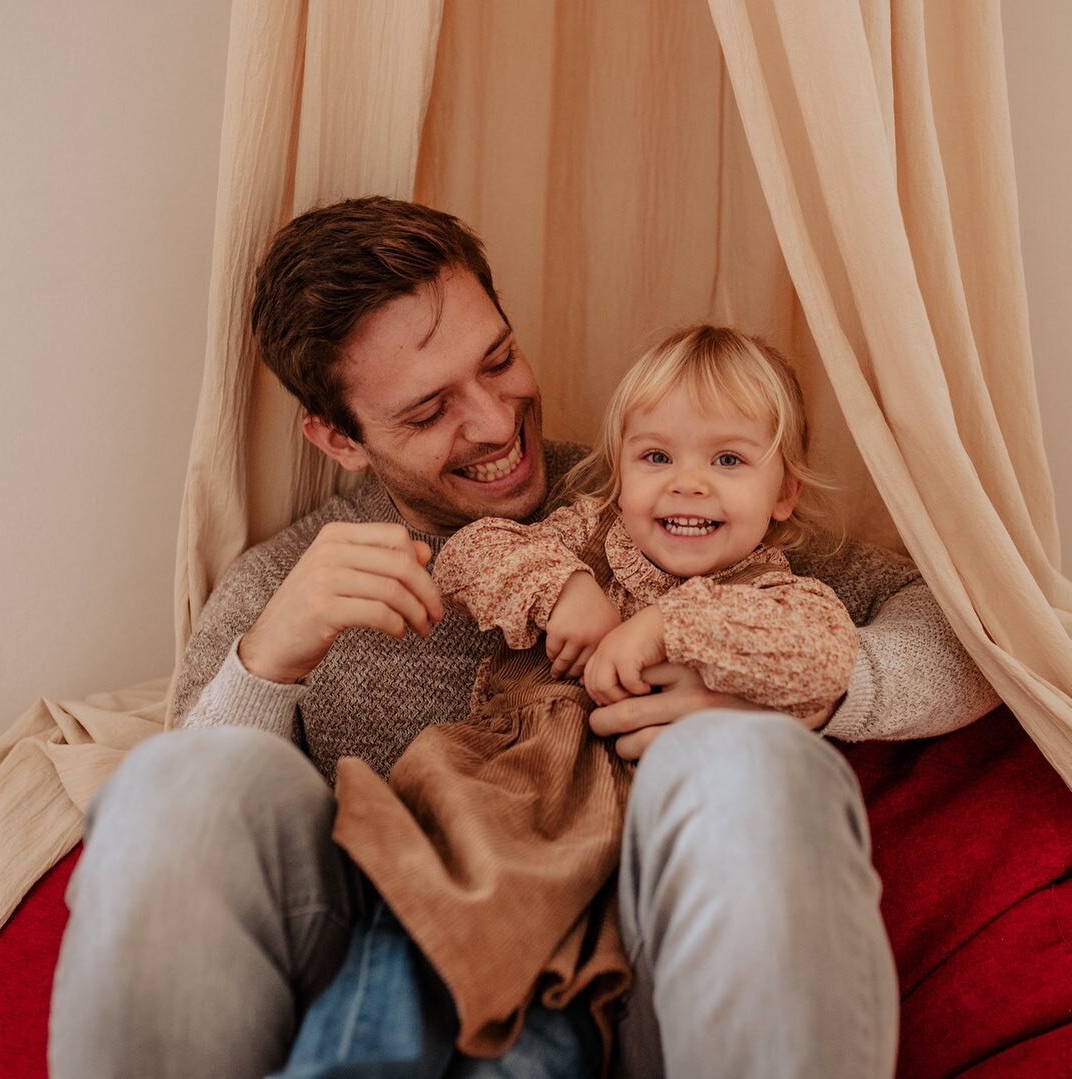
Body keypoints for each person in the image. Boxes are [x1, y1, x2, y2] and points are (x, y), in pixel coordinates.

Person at [49, 197, 1000, 1079]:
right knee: (176, 778)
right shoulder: (285, 584)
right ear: (338, 438)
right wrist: (268, 662)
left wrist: (800, 688)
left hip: (623, 984)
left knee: (749, 758)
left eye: (498, 360)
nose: (496, 421)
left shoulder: (661, 502)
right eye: (427, 410)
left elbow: (969, 635)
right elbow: (182, 855)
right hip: (383, 972)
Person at [278, 324, 862, 1079]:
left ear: (785, 491)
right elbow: (470, 554)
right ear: (618, 471)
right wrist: (566, 590)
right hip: (494, 811)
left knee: (534, 1047)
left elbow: (823, 658)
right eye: (656, 456)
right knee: (387, 1012)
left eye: (727, 459)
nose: (687, 483)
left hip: (604, 893)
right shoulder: (584, 536)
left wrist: (666, 623)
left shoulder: (788, 597)